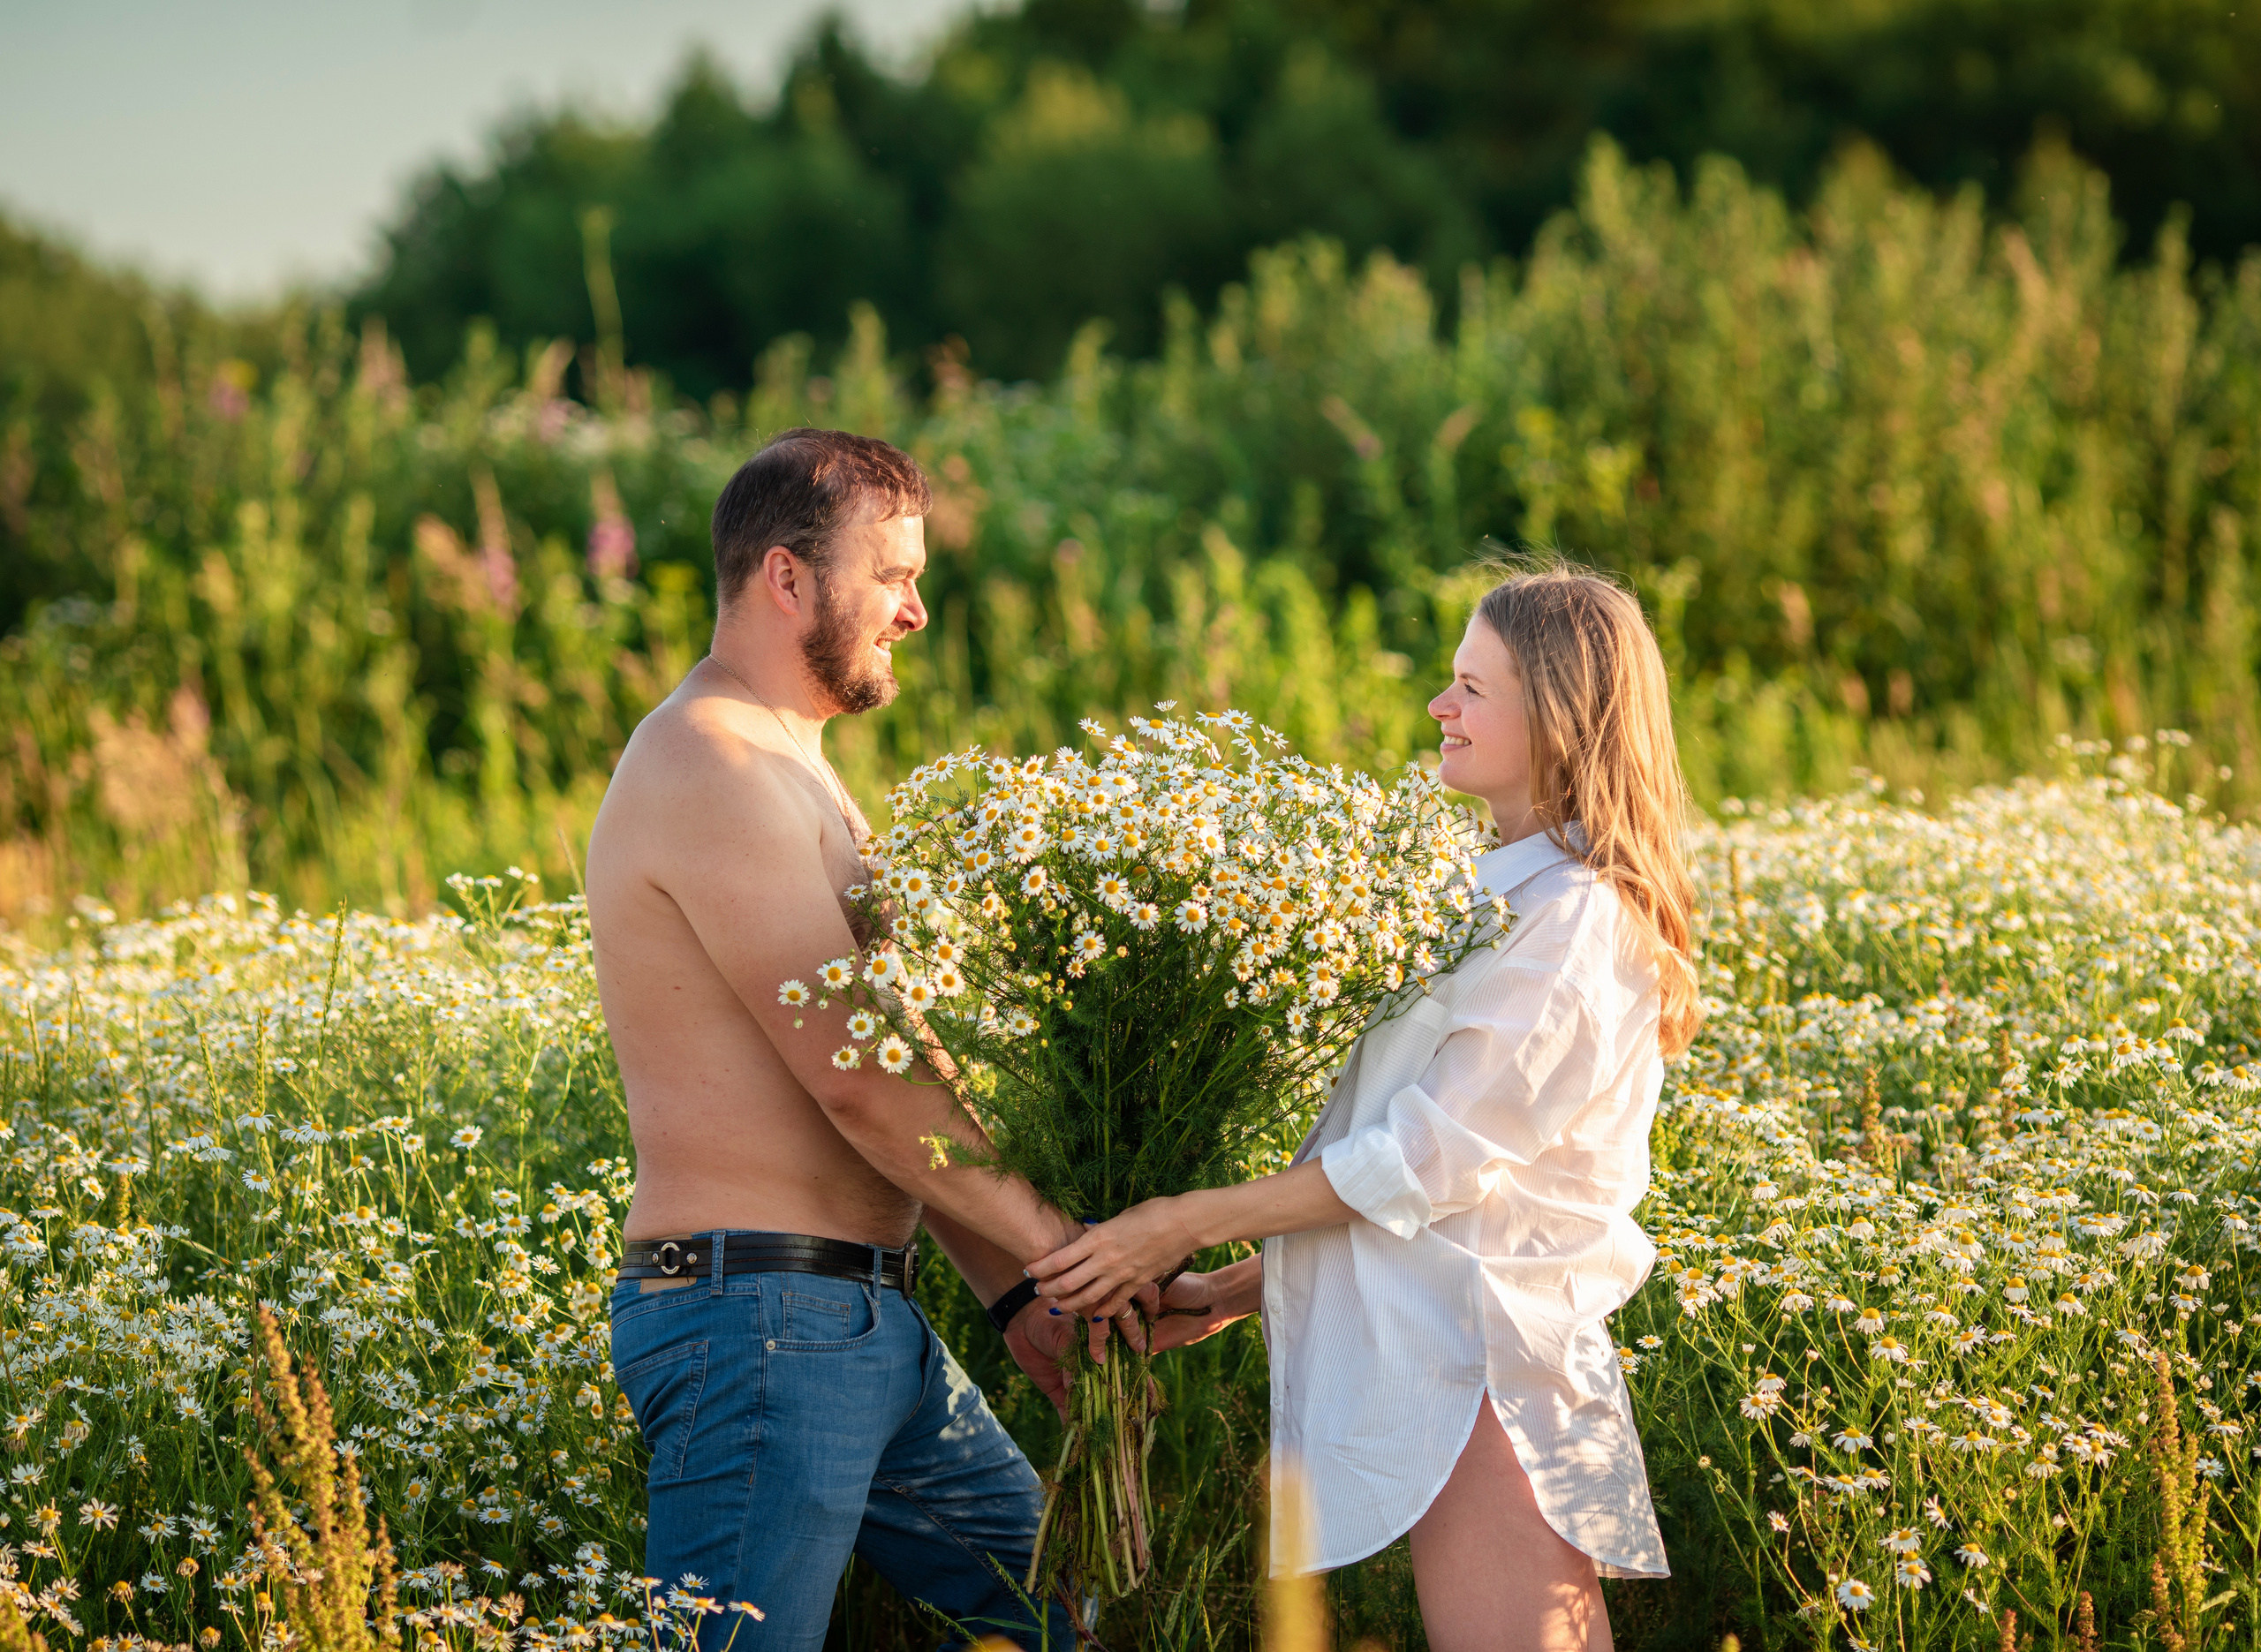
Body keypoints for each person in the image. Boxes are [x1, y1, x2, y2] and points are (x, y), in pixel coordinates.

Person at [1027, 562, 1700, 1652]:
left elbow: (1427, 1162)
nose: (1441, 707)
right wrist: (1243, 1287)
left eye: (1472, 687)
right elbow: (1441, 1191)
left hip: (1488, 1371)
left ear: (1562, 711)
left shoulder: (1574, 918)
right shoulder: (1496, 895)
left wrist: (1180, 1219)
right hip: (1445, 1349)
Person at [586, 429, 1123, 1648]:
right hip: (760, 1316)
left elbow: (911, 1072)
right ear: (788, 578)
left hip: (861, 1320)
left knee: (1061, 1627)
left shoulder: (801, 769)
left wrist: (1021, 1292)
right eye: (893, 574)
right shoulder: (706, 758)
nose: (917, 610)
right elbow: (862, 1084)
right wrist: (1059, 1251)